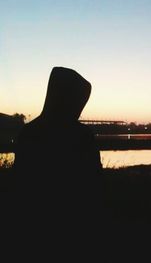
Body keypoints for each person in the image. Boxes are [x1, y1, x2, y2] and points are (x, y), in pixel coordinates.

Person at [12, 67, 106, 260]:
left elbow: (19, 184)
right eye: (78, 99)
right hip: (74, 230)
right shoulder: (82, 136)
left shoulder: (29, 132)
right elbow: (95, 185)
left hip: (32, 231)